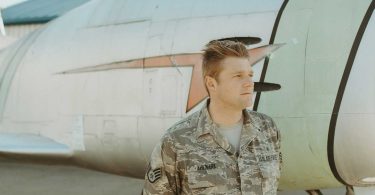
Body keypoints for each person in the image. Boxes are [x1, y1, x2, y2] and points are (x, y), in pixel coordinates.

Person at [143, 40, 282, 194]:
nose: (249, 83)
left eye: (250, 75)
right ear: (211, 84)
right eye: (238, 76)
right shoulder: (176, 141)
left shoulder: (268, 129)